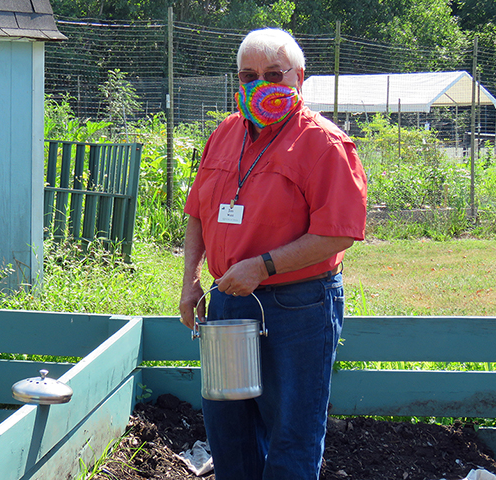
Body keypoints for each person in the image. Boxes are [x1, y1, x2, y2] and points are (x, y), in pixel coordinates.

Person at [179, 27, 367, 480]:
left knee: (292, 435)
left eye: (272, 75)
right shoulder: (225, 132)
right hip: (228, 301)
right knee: (230, 432)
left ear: (299, 79)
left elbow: (338, 233)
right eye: (248, 76)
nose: (259, 85)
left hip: (297, 306)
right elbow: (198, 214)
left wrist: (263, 266)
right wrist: (190, 281)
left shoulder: (323, 144)